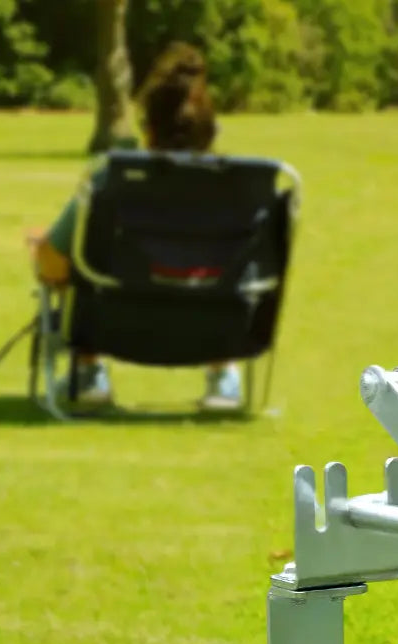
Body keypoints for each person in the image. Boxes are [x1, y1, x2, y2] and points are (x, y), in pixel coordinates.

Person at [32, 44, 242, 411]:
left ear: (149, 131)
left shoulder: (109, 181)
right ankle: (223, 376)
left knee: (79, 263)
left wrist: (41, 250)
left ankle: (89, 372)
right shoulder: (241, 189)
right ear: (211, 131)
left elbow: (52, 263)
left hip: (117, 328)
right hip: (210, 329)